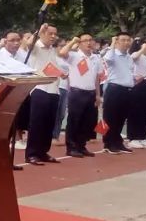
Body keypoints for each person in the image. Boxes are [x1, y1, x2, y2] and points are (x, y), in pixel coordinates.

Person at [24, 24, 63, 165]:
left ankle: (43, 152)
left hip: (54, 89)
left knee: (49, 123)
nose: (53, 36)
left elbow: (52, 66)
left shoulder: (52, 50)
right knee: (37, 123)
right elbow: (29, 44)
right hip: (39, 89)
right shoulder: (36, 47)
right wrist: (38, 31)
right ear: (42, 34)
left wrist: (61, 73)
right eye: (50, 33)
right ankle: (32, 154)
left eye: (55, 34)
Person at [60, 33, 101, 158]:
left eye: (90, 40)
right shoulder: (74, 56)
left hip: (91, 92)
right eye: (85, 41)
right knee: (74, 121)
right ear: (80, 43)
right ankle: (71, 147)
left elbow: (97, 78)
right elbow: (62, 53)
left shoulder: (96, 58)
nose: (88, 43)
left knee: (87, 121)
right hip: (77, 92)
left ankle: (81, 146)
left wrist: (98, 95)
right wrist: (73, 41)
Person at [101, 32, 136, 154]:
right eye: (123, 40)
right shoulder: (112, 54)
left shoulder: (129, 57)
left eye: (128, 40)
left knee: (121, 118)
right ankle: (107, 142)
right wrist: (112, 44)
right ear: (117, 41)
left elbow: (131, 72)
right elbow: (107, 59)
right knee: (110, 117)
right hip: (114, 89)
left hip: (127, 90)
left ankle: (117, 141)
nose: (126, 42)